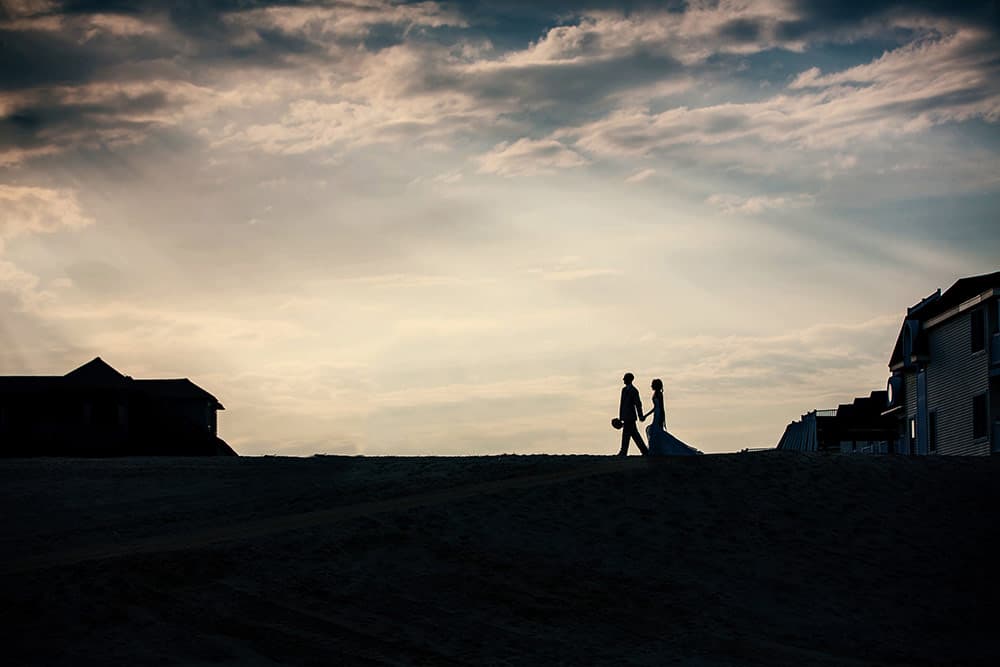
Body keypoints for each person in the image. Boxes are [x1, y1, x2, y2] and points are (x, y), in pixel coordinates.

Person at [644, 378, 702, 456]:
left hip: (659, 415)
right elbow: (655, 407)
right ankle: (656, 450)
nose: (651, 386)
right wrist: (646, 415)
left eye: (653, 384)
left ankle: (657, 450)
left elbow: (661, 407)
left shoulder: (659, 394)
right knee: (655, 432)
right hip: (656, 414)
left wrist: (662, 419)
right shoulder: (655, 394)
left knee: (657, 431)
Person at [618, 372, 648, 456]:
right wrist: (621, 417)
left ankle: (624, 451)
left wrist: (640, 415)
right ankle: (644, 451)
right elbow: (622, 404)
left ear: (629, 380)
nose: (623, 380)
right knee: (634, 434)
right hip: (626, 416)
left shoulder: (634, 391)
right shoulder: (624, 390)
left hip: (630, 416)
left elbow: (638, 404)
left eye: (625, 378)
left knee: (628, 434)